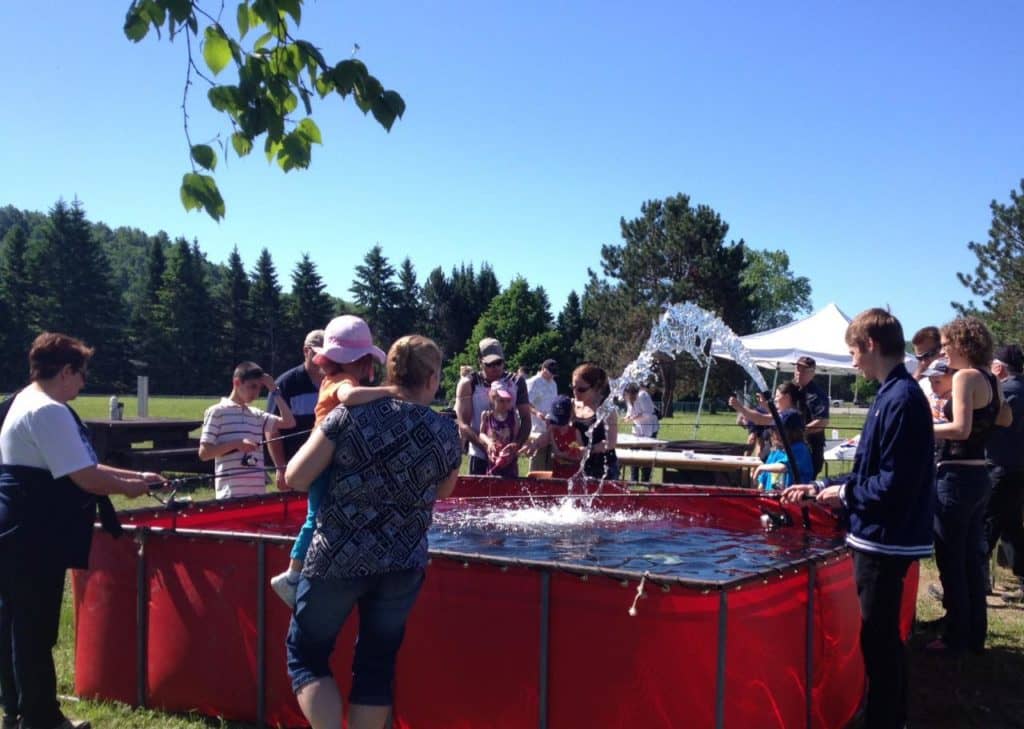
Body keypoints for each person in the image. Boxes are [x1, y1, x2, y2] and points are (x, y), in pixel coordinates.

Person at [283, 335, 461, 729]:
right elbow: (445, 489)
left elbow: (296, 476)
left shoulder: (348, 416)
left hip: (337, 557)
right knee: (376, 665)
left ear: (390, 372)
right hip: (403, 562)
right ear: (431, 378)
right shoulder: (445, 430)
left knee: (307, 655)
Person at [0, 333, 164, 729]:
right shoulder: (49, 411)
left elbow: (80, 466)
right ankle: (41, 719)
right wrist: (131, 486)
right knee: (34, 631)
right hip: (33, 535)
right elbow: (86, 477)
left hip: (18, 532)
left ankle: (17, 711)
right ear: (66, 370)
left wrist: (136, 475)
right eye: (81, 373)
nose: (83, 383)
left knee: (14, 626)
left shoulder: (25, 400)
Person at [782, 308, 934, 729]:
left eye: (853, 352)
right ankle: (890, 714)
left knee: (879, 639)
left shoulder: (901, 398)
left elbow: (894, 484)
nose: (851, 362)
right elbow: (870, 471)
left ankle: (886, 720)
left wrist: (845, 494)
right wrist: (818, 487)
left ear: (870, 345)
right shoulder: (892, 394)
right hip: (879, 534)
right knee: (881, 637)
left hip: (886, 539)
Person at [271, 315, 395, 608]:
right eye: (368, 359)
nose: (371, 367)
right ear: (356, 359)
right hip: (323, 460)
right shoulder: (342, 381)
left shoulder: (332, 377)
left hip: (327, 458)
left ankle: (299, 572)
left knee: (322, 515)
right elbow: (349, 397)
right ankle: (292, 576)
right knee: (316, 517)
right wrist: (394, 392)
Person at [929, 317, 1011, 655]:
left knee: (951, 560)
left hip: (956, 477)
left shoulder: (964, 377)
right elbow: (1004, 418)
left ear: (964, 344)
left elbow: (960, 429)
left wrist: (921, 425)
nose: (944, 350)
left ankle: (955, 638)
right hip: (979, 477)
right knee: (972, 561)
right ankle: (974, 635)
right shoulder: (992, 379)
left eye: (948, 344)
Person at [198, 362, 296, 499]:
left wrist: (274, 390)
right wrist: (237, 444)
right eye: (252, 387)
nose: (255, 393)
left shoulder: (256, 414)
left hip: (258, 495)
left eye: (259, 388)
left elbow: (289, 422)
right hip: (230, 496)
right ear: (237, 383)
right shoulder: (217, 412)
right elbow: (204, 453)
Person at [455, 338, 530, 475]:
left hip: (507, 456)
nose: (495, 367)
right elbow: (463, 424)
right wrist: (485, 445)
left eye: (498, 362)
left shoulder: (517, 382)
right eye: (489, 364)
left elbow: (526, 419)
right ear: (480, 362)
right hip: (478, 454)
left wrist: (516, 445)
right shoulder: (469, 384)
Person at [985, 344, 1024, 600]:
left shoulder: (1006, 391)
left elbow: (988, 425)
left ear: (998, 368)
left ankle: (978, 580)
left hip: (1001, 466)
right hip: (1018, 468)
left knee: (987, 524)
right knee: (1011, 527)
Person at [267, 329, 325, 491]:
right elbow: (272, 430)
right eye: (319, 353)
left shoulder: (336, 382)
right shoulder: (286, 384)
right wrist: (281, 468)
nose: (323, 358)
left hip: (328, 466)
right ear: (306, 351)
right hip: (296, 468)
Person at [571, 363, 619, 480]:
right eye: (573, 387)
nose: (576, 392)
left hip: (603, 468)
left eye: (581, 389)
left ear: (595, 387)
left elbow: (610, 443)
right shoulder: (572, 405)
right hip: (577, 466)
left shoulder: (606, 409)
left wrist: (589, 450)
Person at [522, 395, 584, 478]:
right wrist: (533, 446)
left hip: (574, 478)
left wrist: (561, 454)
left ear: (571, 416)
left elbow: (580, 455)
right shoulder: (553, 431)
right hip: (557, 476)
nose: (560, 426)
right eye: (557, 422)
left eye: (563, 423)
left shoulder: (575, 433)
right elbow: (543, 438)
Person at [753, 411, 812, 492]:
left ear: (794, 432)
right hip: (772, 499)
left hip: (794, 499)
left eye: (780, 430)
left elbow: (783, 467)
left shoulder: (800, 449)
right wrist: (760, 487)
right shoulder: (776, 451)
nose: (776, 433)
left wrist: (760, 468)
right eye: (774, 429)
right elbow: (763, 479)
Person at [793, 356, 830, 478]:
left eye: (803, 370)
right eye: (797, 369)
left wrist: (798, 433)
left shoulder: (816, 394)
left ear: (812, 373)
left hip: (810, 448)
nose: (799, 373)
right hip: (796, 447)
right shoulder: (795, 390)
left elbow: (823, 421)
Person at [479, 380, 520, 477]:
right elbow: (481, 434)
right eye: (501, 401)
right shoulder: (487, 415)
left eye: (508, 401)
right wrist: (489, 442)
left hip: (509, 461)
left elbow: (516, 438)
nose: (505, 404)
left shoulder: (513, 416)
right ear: (493, 399)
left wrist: (513, 447)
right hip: (493, 460)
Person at [622, 382, 660, 481]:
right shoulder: (627, 398)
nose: (627, 397)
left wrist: (633, 417)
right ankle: (634, 479)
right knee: (633, 453)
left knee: (647, 454)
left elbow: (648, 413)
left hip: (649, 428)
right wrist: (627, 417)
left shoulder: (643, 395)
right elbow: (630, 411)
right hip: (637, 428)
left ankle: (645, 480)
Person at [525, 359, 559, 471]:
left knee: (550, 464)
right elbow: (526, 403)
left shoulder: (553, 384)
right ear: (544, 369)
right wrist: (537, 413)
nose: (552, 375)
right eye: (550, 372)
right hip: (537, 428)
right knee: (537, 462)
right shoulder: (532, 382)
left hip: (550, 427)